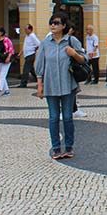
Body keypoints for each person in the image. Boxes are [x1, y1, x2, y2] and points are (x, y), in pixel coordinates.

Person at [35, 12, 88, 160]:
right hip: (51, 85)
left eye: (57, 23)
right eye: (51, 22)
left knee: (67, 117)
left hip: (68, 84)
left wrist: (74, 54)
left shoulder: (72, 41)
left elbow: (84, 59)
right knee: (53, 118)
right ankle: (56, 148)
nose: (53, 25)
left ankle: (69, 146)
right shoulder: (45, 43)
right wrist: (40, 86)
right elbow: (40, 65)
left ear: (64, 26)